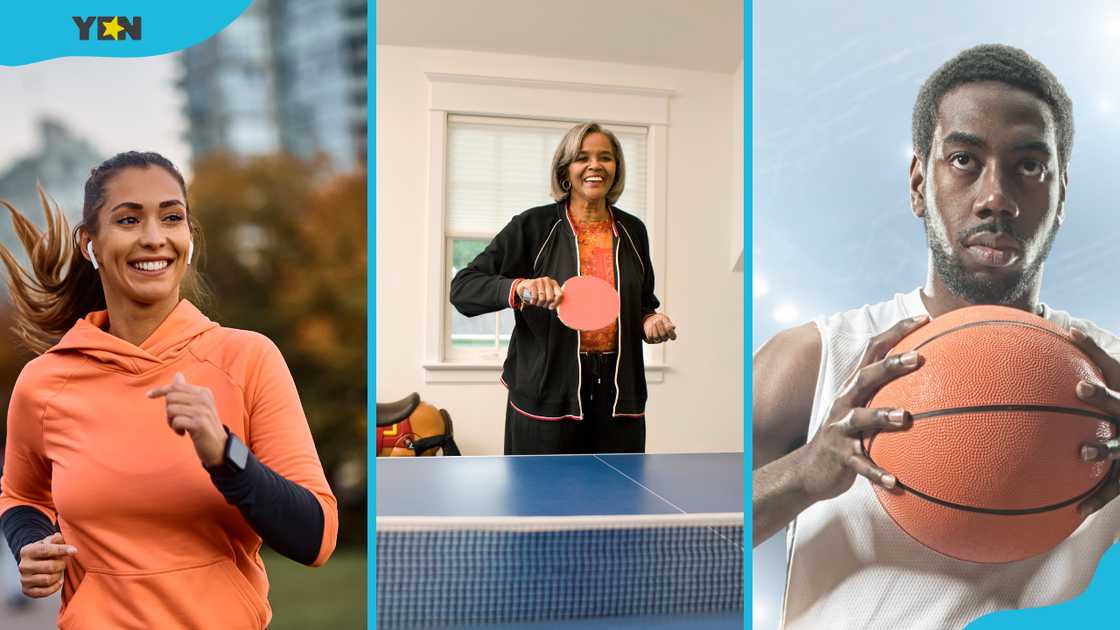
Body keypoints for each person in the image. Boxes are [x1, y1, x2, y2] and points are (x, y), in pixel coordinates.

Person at [752, 44, 1120, 630]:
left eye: (1030, 166)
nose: (995, 197)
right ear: (920, 182)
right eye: (964, 160)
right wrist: (805, 471)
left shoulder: (1112, 380)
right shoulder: (812, 361)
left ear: (1061, 196)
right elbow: (692, 541)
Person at [0, 152, 338, 629]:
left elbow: (317, 538)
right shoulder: (44, 383)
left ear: (189, 239)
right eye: (129, 219)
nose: (154, 237)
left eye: (171, 217)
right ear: (89, 243)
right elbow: (21, 496)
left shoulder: (249, 359)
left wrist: (225, 454)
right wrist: (30, 544)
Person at [450, 122, 677, 454]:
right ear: (565, 169)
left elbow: (643, 303)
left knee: (616, 502)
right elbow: (464, 288)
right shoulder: (533, 225)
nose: (595, 165)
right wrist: (522, 287)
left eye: (606, 157)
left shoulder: (633, 231)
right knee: (538, 500)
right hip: (546, 395)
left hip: (618, 400)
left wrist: (651, 321)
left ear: (617, 168)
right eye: (582, 157)